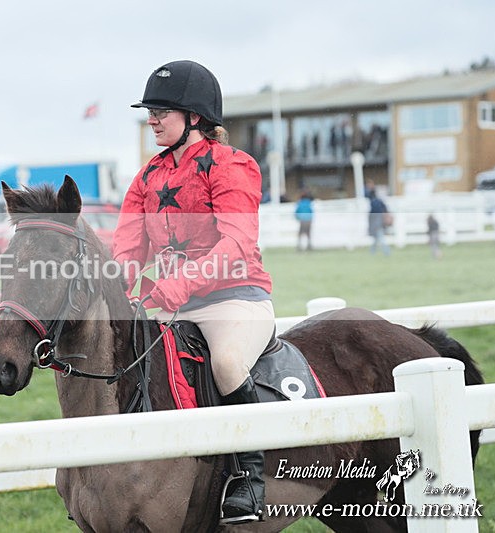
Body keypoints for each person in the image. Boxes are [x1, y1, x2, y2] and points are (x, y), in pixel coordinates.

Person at [113, 60, 274, 524]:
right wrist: (119, 285)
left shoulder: (233, 165)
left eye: (162, 110)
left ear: (195, 117)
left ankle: (249, 475)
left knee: (225, 363)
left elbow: (238, 243)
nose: (152, 119)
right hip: (174, 307)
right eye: (150, 111)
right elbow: (127, 246)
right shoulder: (148, 176)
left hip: (235, 301)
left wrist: (179, 283)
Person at [367, 189, 391, 256]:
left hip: (377, 224)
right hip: (380, 222)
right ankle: (373, 252)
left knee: (380, 238)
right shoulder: (380, 201)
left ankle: (386, 252)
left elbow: (372, 215)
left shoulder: (373, 202)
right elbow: (385, 209)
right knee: (376, 239)